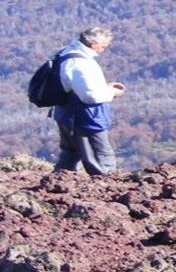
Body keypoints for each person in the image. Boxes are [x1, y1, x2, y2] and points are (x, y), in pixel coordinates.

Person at [50, 27, 125, 175]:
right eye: (102, 46)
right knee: (101, 156)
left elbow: (76, 86)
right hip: (85, 118)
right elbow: (90, 96)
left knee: (70, 153)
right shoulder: (80, 63)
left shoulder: (66, 53)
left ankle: (60, 181)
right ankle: (107, 186)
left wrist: (104, 87)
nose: (103, 50)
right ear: (93, 43)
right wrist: (111, 92)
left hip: (65, 114)